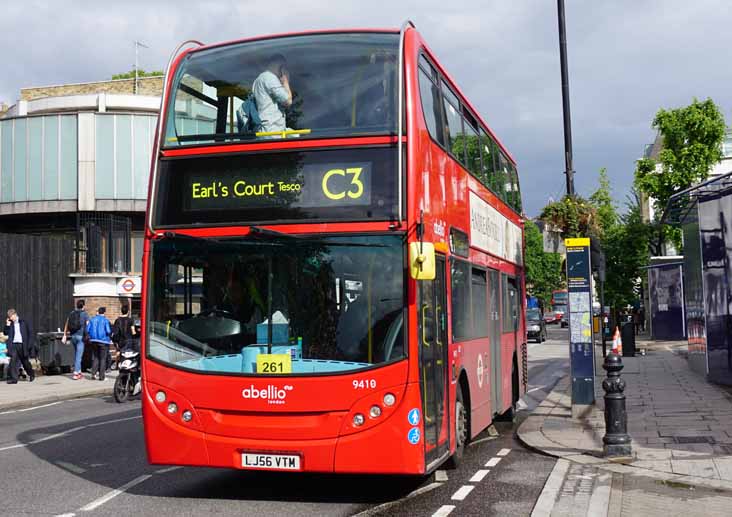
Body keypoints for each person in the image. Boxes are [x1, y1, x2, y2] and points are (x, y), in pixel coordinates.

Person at [251, 53, 293, 133]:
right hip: (272, 129)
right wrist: (285, 80)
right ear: (280, 66)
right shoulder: (269, 78)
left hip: (266, 129)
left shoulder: (259, 79)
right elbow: (288, 101)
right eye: (283, 67)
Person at [4, 309, 36, 384]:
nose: (10, 318)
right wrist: (7, 325)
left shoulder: (23, 322)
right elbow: (6, 333)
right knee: (13, 362)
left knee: (25, 362)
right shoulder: (11, 324)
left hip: (23, 345)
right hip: (14, 345)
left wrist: (29, 345)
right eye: (9, 317)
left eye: (11, 316)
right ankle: (14, 379)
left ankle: (31, 374)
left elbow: (30, 333)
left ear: (15, 314)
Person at [62, 299, 90, 380]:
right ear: (83, 306)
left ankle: (79, 371)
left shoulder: (72, 313)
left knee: (77, 355)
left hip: (73, 336)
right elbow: (88, 325)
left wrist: (65, 334)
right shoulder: (84, 314)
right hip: (80, 337)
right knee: (79, 356)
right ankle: (76, 373)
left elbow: (67, 324)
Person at [88, 307, 112, 381]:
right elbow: (108, 331)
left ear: (98, 312)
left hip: (93, 340)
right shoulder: (105, 320)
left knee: (95, 357)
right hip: (103, 341)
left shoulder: (92, 319)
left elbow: (87, 329)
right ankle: (102, 377)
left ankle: (93, 374)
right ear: (104, 312)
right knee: (103, 359)